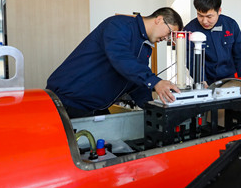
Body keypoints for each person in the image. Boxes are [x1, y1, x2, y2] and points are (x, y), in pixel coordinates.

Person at [46, 7, 184, 118]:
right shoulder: (119, 25)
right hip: (68, 101)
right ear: (159, 20)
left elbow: (136, 83)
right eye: (169, 33)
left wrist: (151, 108)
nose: (166, 39)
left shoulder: (145, 47)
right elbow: (121, 58)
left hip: (95, 106)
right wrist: (155, 81)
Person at [183, 0, 241, 85]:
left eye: (209, 16)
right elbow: (191, 59)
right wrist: (201, 80)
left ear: (219, 11)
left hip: (229, 79)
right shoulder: (190, 29)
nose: (204, 21)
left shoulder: (231, 25)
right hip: (205, 81)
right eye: (200, 15)